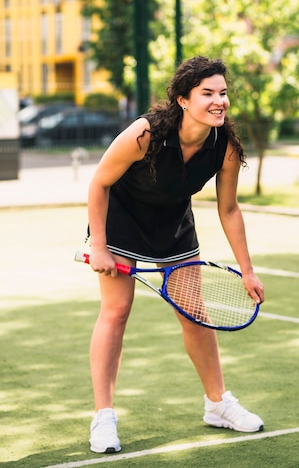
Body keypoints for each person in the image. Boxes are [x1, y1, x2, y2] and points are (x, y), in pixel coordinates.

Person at [86, 56, 265, 454]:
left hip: (174, 225)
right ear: (183, 100)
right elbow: (99, 182)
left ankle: (218, 404)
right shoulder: (145, 133)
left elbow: (229, 209)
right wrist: (98, 244)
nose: (219, 101)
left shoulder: (225, 145)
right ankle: (104, 416)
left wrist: (248, 272)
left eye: (223, 93)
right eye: (208, 94)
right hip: (123, 220)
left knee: (194, 313)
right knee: (116, 312)